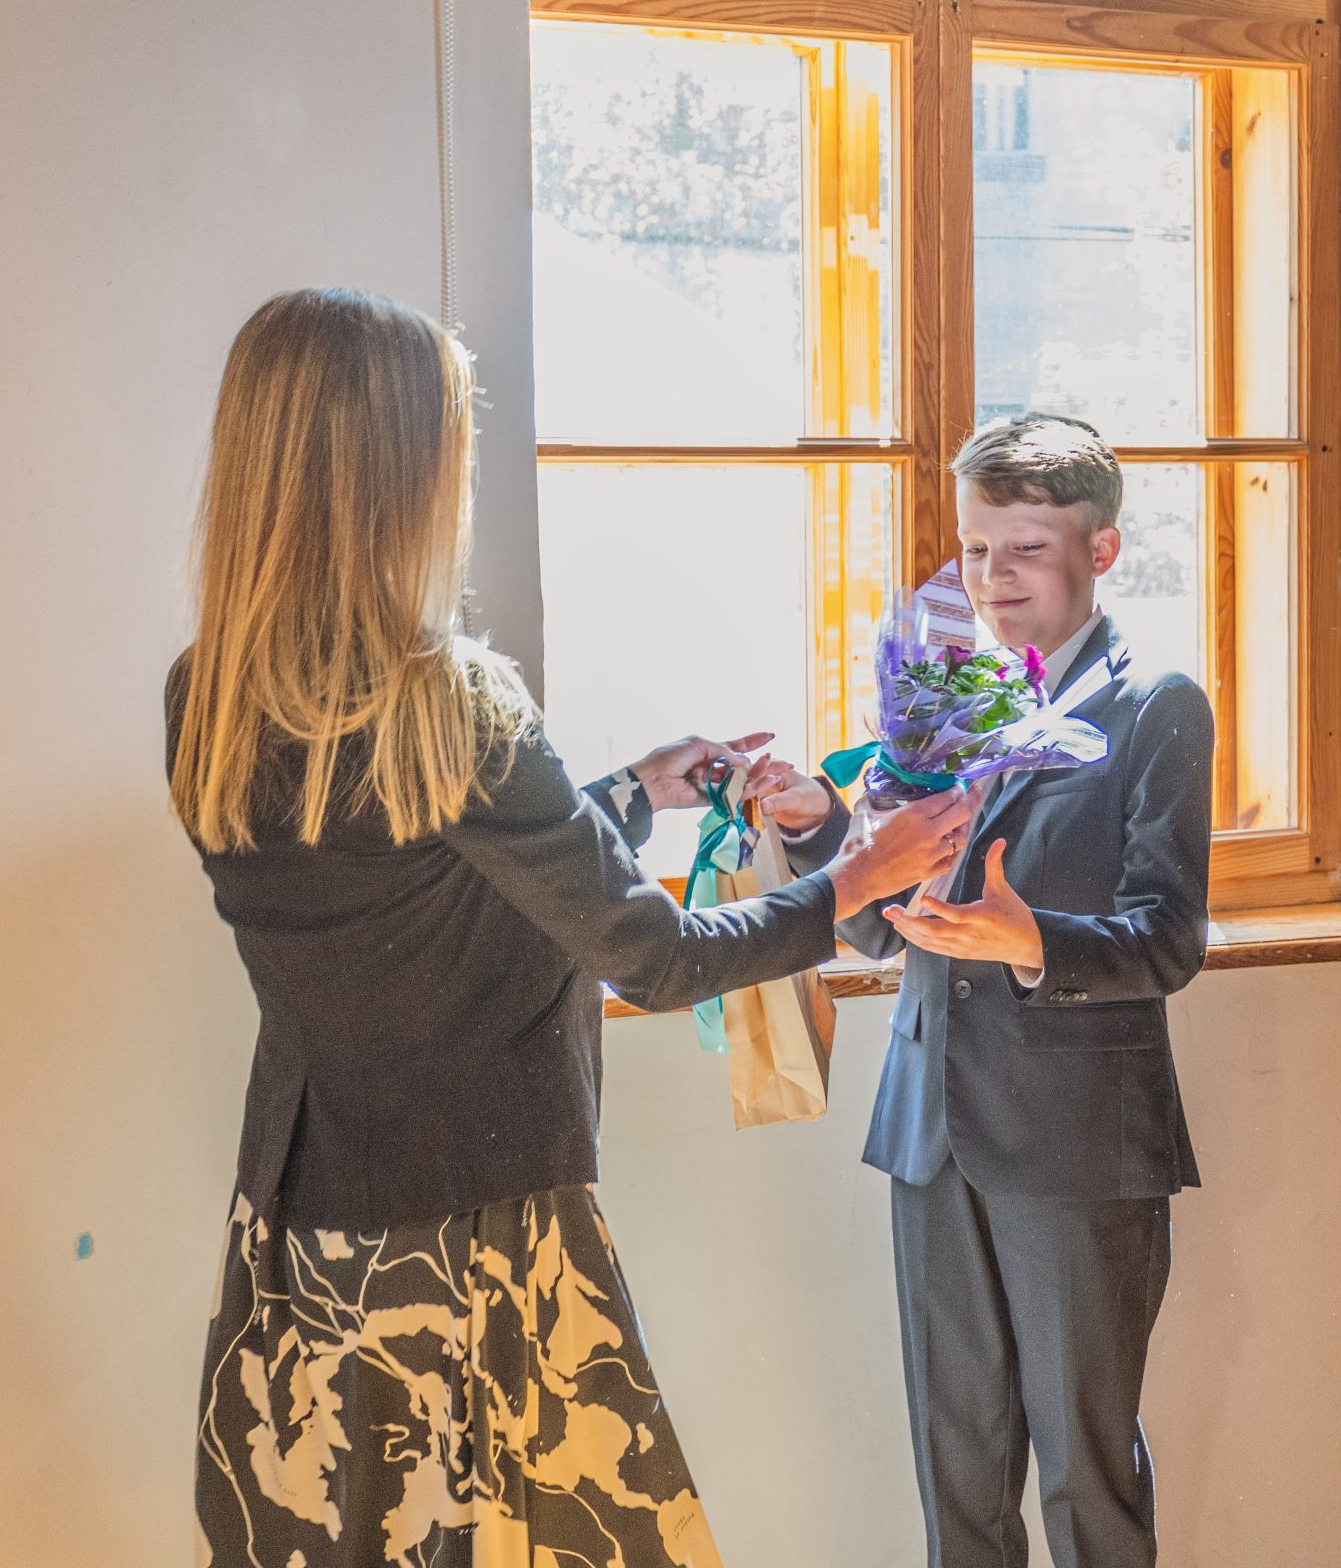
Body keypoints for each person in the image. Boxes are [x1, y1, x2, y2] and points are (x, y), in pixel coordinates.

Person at [167, 286, 971, 1567]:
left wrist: (626, 795)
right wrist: (854, 880)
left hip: (304, 1219)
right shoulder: (451, 702)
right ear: (399, 474)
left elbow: (405, 868)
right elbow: (656, 956)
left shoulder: (209, 694)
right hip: (475, 1227)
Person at [767, 412, 1213, 1568]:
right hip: (930, 1140)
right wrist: (823, 833)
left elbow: (1168, 939)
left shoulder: (1155, 703)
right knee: (956, 1476)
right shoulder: (945, 698)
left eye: (1023, 547)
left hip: (1075, 1147)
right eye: (973, 549)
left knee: (1084, 1480)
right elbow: (877, 927)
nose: (991, 575)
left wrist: (1033, 943)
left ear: (1101, 550)